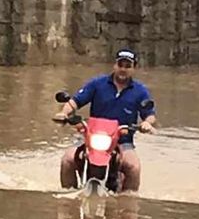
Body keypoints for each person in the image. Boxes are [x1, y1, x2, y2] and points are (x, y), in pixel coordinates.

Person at [56, 49, 156, 192]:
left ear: (134, 68)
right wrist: (63, 113)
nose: (123, 69)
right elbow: (74, 102)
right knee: (68, 159)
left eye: (128, 66)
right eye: (120, 65)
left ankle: (128, 204)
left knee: (134, 167)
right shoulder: (97, 84)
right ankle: (68, 196)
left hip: (123, 141)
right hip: (91, 138)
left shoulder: (140, 91)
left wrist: (146, 123)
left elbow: (150, 114)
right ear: (114, 65)